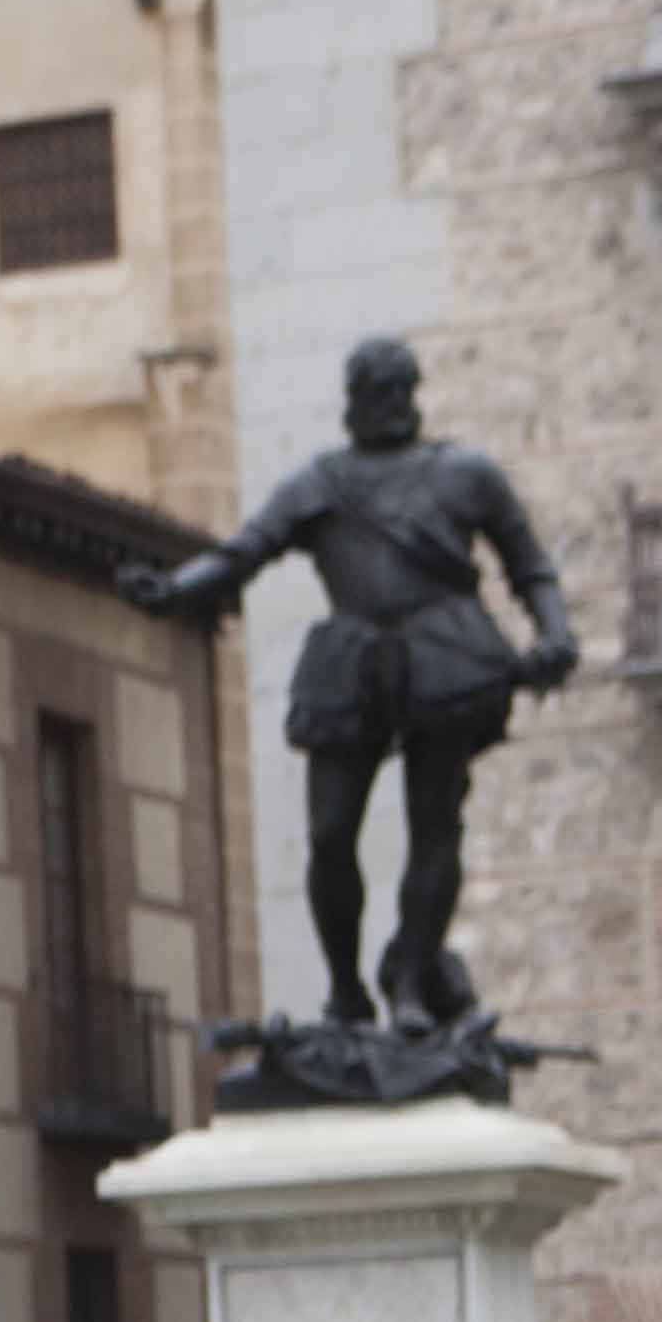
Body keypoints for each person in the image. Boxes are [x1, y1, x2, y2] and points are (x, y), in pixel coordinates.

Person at [119, 335, 576, 1036]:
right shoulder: (320, 484)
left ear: (413, 394)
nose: (390, 404)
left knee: (434, 826)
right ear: (353, 400)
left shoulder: (465, 473)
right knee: (331, 833)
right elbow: (244, 552)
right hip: (352, 660)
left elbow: (530, 565)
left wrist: (555, 633)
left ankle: (412, 979)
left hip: (444, 657)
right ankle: (345, 991)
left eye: (399, 390)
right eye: (376, 392)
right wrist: (177, 590)